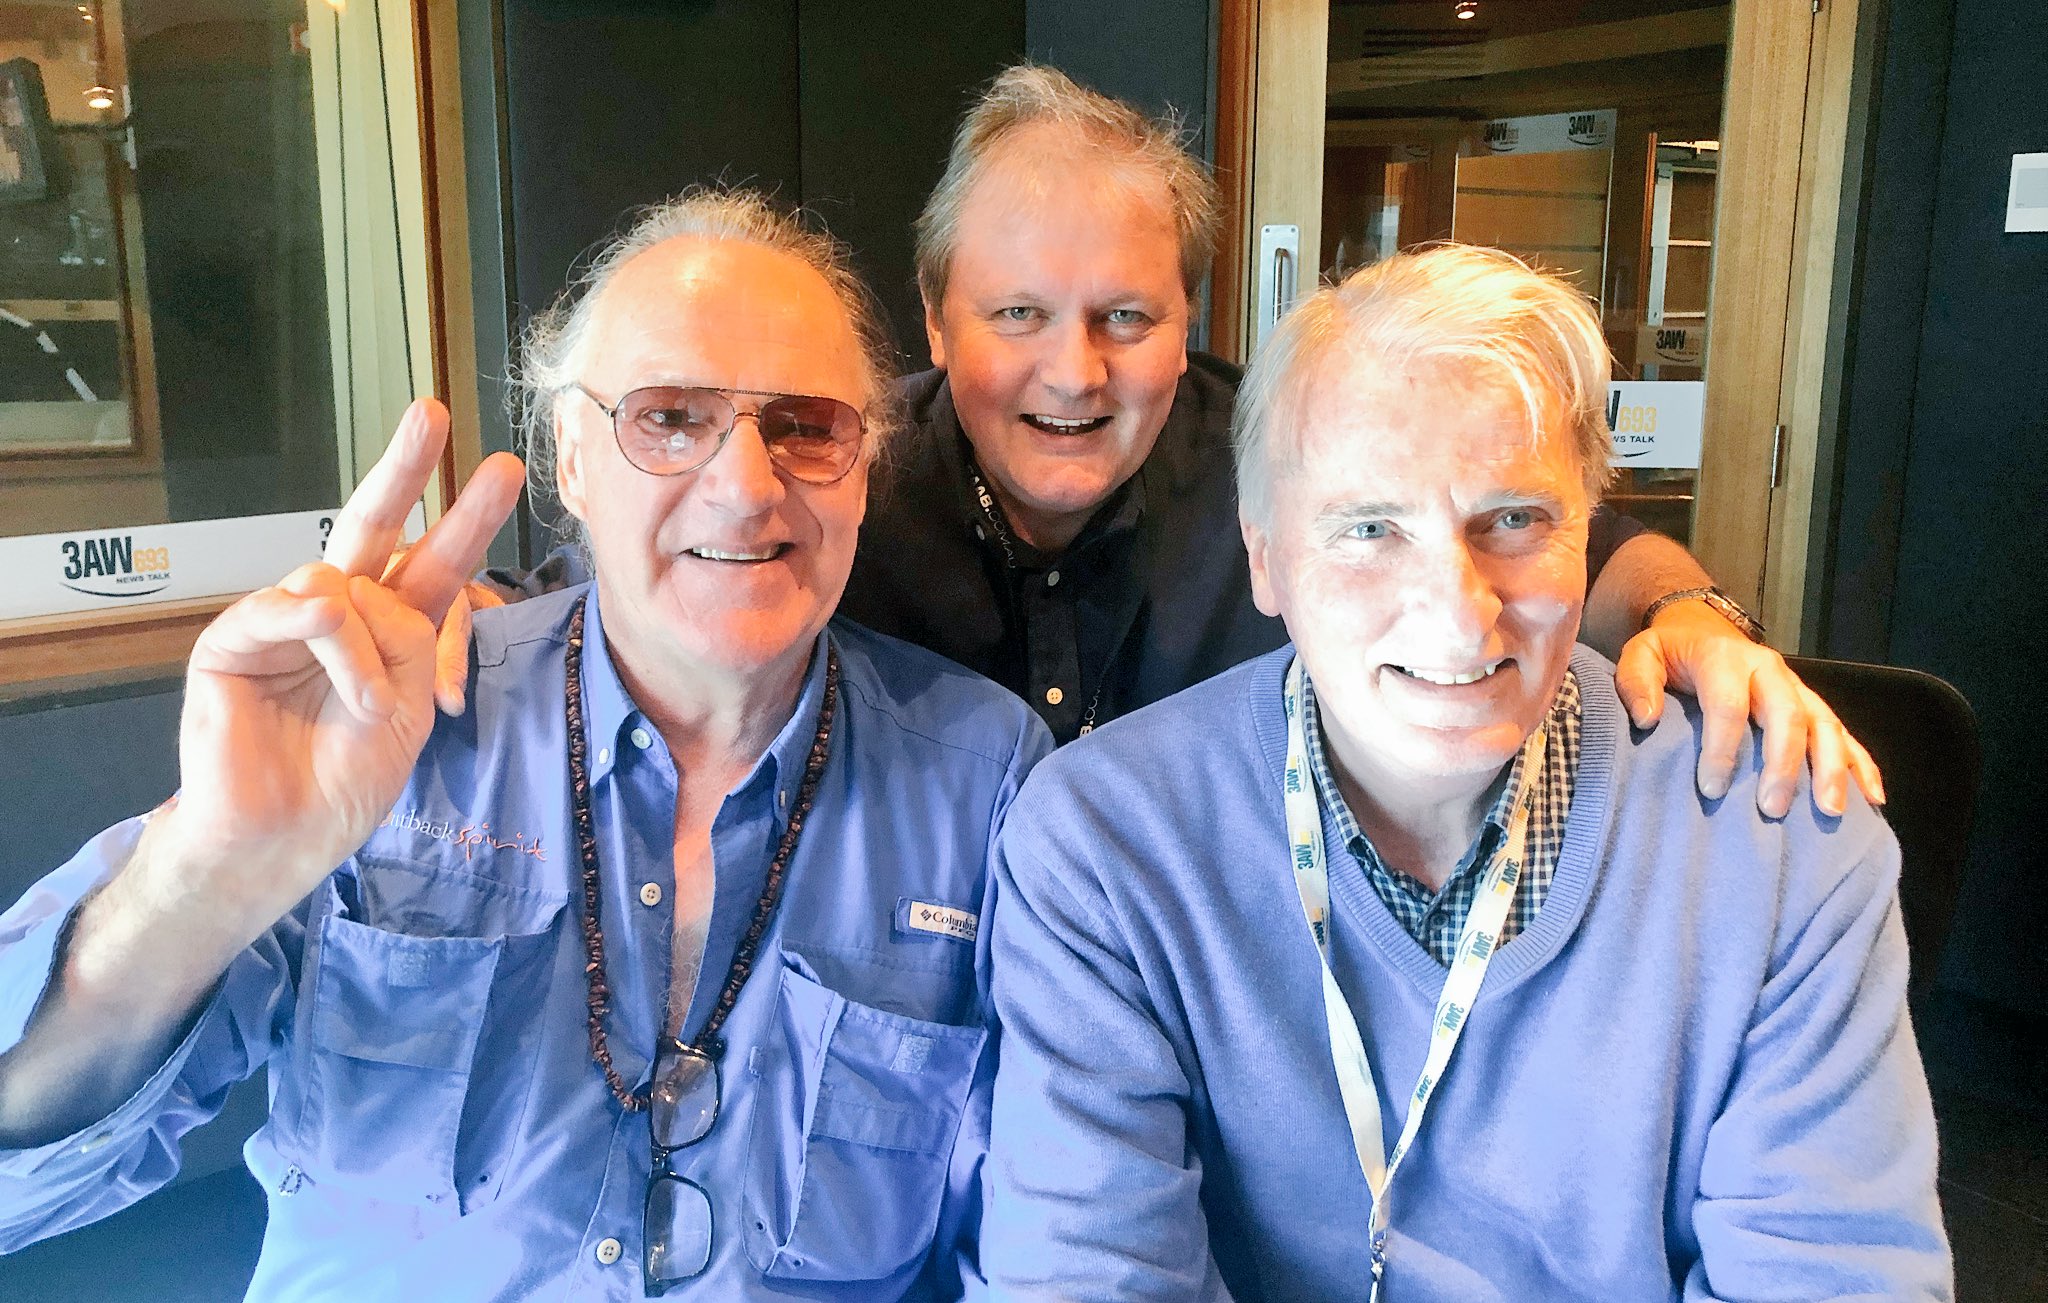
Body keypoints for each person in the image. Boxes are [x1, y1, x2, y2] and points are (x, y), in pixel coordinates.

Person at [0, 190, 1050, 1300]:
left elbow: (1035, 1235)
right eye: (669, 417)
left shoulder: (985, 787)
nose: (746, 485)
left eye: (805, 425)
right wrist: (202, 874)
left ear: (864, 468)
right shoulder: (392, 721)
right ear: (572, 459)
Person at [474, 65, 1877, 821]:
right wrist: (453, 630)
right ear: (935, 317)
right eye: (1017, 313)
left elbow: (1571, 545)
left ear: (1190, 317)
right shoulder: (835, 470)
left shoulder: (1290, 456)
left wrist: (1698, 617)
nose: (1073, 371)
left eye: (1126, 316)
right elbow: (610, 583)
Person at [979, 245, 1949, 1301]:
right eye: (1369, 528)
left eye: (1514, 520)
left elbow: (1833, 1274)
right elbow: (1083, 1276)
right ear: (1265, 558)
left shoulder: (1778, 838)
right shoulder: (1105, 843)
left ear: (1587, 531)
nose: (1456, 612)